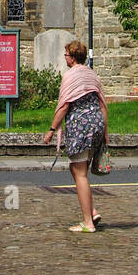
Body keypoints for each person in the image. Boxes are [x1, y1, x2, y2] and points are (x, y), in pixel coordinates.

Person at [43, 40, 109, 232]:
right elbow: (102, 103)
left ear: (71, 57)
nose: (64, 57)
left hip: (81, 127)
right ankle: (92, 211)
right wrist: (105, 131)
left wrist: (51, 130)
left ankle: (88, 222)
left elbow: (64, 105)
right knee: (77, 170)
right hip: (96, 124)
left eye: (65, 55)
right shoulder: (91, 74)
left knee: (80, 173)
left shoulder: (71, 76)